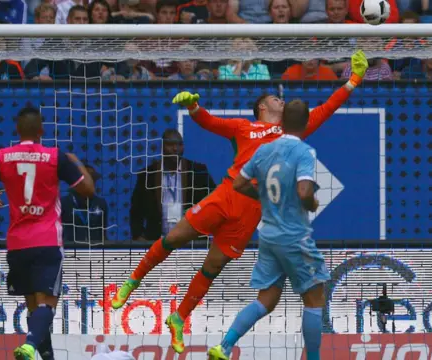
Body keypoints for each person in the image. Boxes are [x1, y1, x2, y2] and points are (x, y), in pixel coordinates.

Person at [111, 50, 369, 353]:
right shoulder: (243, 127)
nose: (281, 101)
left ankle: (179, 318)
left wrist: (353, 80)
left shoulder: (292, 131)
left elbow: (328, 108)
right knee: (174, 238)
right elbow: (209, 122)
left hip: (251, 213)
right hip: (227, 195)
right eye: (276, 98)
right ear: (262, 106)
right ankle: (132, 281)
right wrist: (194, 108)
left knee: (213, 266)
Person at [0, 107, 95, 360]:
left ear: (17, 130)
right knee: (47, 304)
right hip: (47, 240)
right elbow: (88, 190)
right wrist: (76, 161)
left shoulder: (2, 157)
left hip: (18, 243)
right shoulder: (55, 157)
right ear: (41, 131)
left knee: (33, 307)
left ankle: (44, 355)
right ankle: (29, 344)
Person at [207, 99, 327, 360]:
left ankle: (224, 346)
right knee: (315, 300)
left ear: (282, 123)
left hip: (269, 237)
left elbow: (238, 183)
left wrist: (262, 194)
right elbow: (304, 191)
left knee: (266, 300)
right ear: (306, 123)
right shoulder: (304, 152)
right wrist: (312, 201)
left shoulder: (263, 151)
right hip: (295, 237)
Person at [130, 129, 215, 242]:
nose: (175, 149)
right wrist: (138, 236)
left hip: (192, 243)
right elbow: (136, 211)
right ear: (162, 147)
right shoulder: (147, 175)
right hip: (157, 243)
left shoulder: (198, 172)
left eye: (179, 144)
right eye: (170, 144)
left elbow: (214, 202)